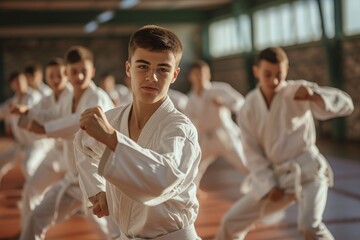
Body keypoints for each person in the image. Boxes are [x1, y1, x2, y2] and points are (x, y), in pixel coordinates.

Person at [74, 25, 202, 239]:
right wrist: (97, 190)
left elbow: (161, 181)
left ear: (174, 75)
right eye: (143, 66)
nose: (152, 77)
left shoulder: (179, 128)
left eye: (163, 69)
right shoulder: (114, 118)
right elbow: (83, 143)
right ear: (128, 69)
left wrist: (112, 139)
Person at [216, 47, 354, 240]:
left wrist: (315, 96)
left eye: (279, 74)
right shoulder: (248, 106)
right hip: (276, 177)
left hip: (308, 172)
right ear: (256, 71)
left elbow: (346, 103)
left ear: (286, 70)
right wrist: (270, 184)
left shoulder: (296, 91)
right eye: (267, 74)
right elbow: (251, 152)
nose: (273, 80)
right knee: (231, 222)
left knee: (309, 226)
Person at [19, 46, 116, 240]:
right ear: (67, 73)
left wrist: (43, 128)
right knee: (38, 216)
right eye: (74, 72)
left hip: (99, 181)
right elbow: (53, 114)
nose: (79, 76)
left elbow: (78, 122)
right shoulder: (68, 98)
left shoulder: (97, 98)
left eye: (84, 71)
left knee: (110, 229)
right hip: (73, 179)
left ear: (93, 72)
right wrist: (29, 113)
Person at [14, 58, 72, 229]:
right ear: (46, 77)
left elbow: (65, 121)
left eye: (59, 75)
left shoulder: (73, 96)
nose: (55, 79)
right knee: (32, 188)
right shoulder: (48, 98)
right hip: (56, 153)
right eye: (51, 75)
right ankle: (28, 231)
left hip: (78, 157)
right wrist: (24, 111)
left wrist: (43, 128)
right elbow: (36, 111)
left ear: (66, 75)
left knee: (97, 211)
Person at [184, 60, 248, 190]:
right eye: (196, 74)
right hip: (207, 137)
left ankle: (266, 186)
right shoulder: (191, 98)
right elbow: (188, 120)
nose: (199, 77)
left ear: (208, 75)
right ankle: (192, 192)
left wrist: (224, 103)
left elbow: (240, 102)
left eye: (202, 74)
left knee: (244, 164)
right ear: (190, 76)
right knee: (195, 166)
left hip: (225, 136)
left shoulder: (219, 89)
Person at [0, 71, 51, 183]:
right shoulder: (13, 101)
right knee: (1, 162)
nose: (19, 84)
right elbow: (2, 112)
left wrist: (23, 109)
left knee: (29, 168)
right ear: (12, 85)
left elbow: (34, 111)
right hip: (20, 143)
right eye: (16, 82)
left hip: (36, 144)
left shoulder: (34, 96)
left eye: (21, 80)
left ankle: (40, 196)